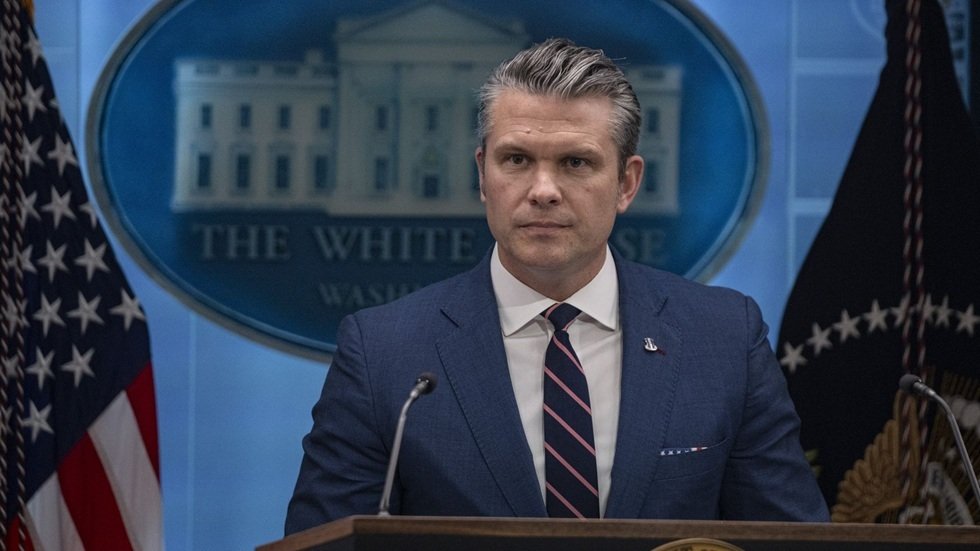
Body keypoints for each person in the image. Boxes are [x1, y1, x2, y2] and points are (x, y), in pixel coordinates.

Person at [285, 37, 829, 533]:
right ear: (483, 175)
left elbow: (793, 540)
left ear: (627, 183)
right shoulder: (383, 355)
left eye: (575, 162)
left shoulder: (725, 340)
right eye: (517, 159)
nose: (543, 190)